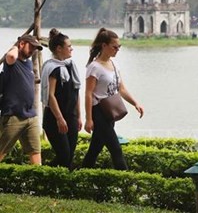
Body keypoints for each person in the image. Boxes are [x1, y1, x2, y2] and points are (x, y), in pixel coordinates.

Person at [82, 28, 144, 170]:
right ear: (104, 46)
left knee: (94, 149)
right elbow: (88, 94)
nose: (117, 50)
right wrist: (89, 119)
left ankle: (79, 177)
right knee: (116, 150)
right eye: (114, 47)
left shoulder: (114, 64)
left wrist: (135, 103)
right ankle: (127, 183)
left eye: (119, 47)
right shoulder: (94, 67)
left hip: (110, 111)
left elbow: (121, 89)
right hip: (98, 111)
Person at [41, 28, 82, 169]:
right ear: (59, 49)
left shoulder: (70, 66)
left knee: (69, 156)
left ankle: (62, 186)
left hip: (70, 115)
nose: (71, 49)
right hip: (54, 118)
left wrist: (79, 116)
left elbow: (76, 92)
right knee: (64, 156)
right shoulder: (53, 68)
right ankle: (42, 176)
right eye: (69, 46)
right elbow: (50, 95)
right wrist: (59, 118)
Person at [0, 34, 43, 164]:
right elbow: (11, 56)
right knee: (2, 151)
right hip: (13, 115)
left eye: (35, 48)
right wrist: (16, 45)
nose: (33, 51)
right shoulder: (12, 63)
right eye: (31, 47)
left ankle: (37, 181)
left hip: (30, 116)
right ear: (22, 44)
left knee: (35, 151)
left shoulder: (28, 64)